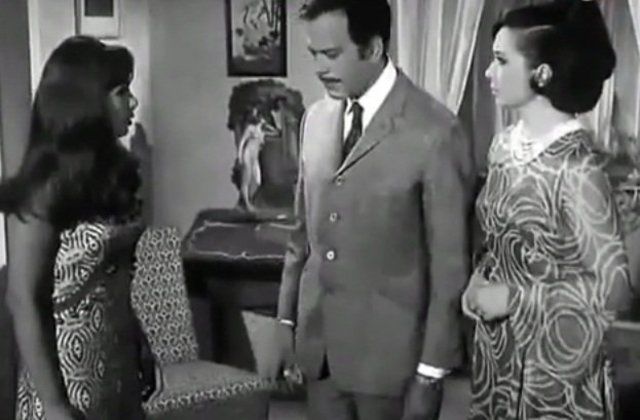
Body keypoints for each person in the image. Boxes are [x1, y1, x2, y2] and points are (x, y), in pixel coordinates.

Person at [261, 1, 476, 419]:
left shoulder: (435, 131)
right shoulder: (315, 120)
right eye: (313, 54)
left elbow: (450, 269)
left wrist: (431, 374)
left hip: (394, 369)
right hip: (321, 359)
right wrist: (285, 323)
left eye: (331, 54)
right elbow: (301, 238)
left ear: (373, 48)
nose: (319, 68)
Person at [463, 1, 631, 418]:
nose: (488, 73)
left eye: (502, 61)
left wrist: (515, 299)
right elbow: (502, 240)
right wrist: (480, 277)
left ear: (542, 74)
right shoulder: (503, 146)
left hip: (557, 369)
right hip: (497, 356)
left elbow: (614, 289)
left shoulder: (578, 169)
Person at [3, 36, 148, 419]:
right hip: (65, 376)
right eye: (121, 92)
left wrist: (138, 342)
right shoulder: (43, 188)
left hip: (116, 363)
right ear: (87, 102)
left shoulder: (111, 177)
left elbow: (113, 278)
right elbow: (22, 299)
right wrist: (54, 405)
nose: (133, 103)